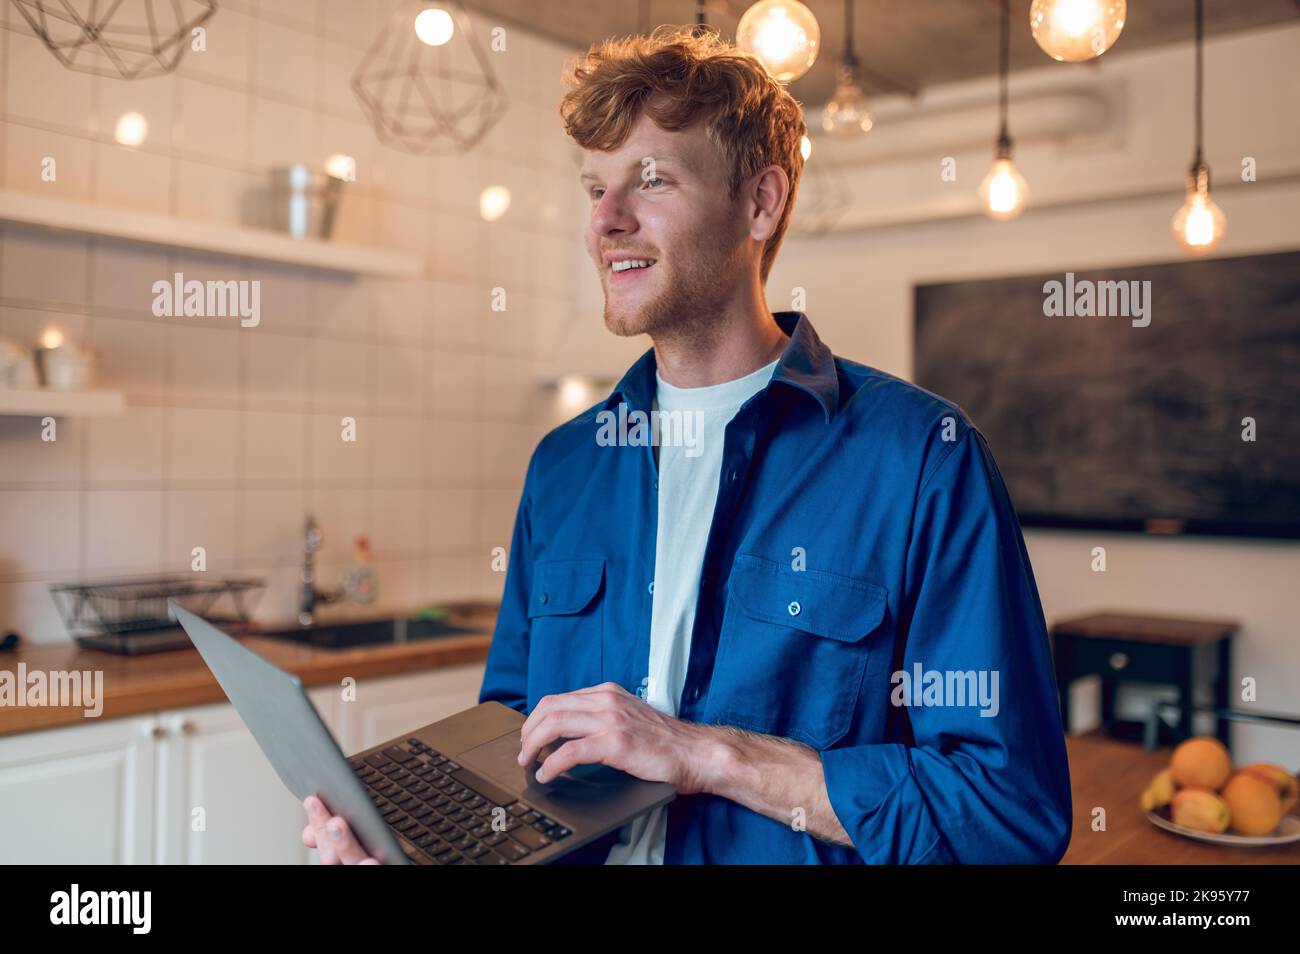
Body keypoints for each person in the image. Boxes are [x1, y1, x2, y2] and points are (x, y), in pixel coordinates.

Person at [304, 26, 1071, 866]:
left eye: (652, 179)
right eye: (594, 187)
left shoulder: (923, 460)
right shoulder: (565, 466)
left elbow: (1007, 815)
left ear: (761, 203)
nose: (605, 220)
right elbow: (516, 749)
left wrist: (707, 755)